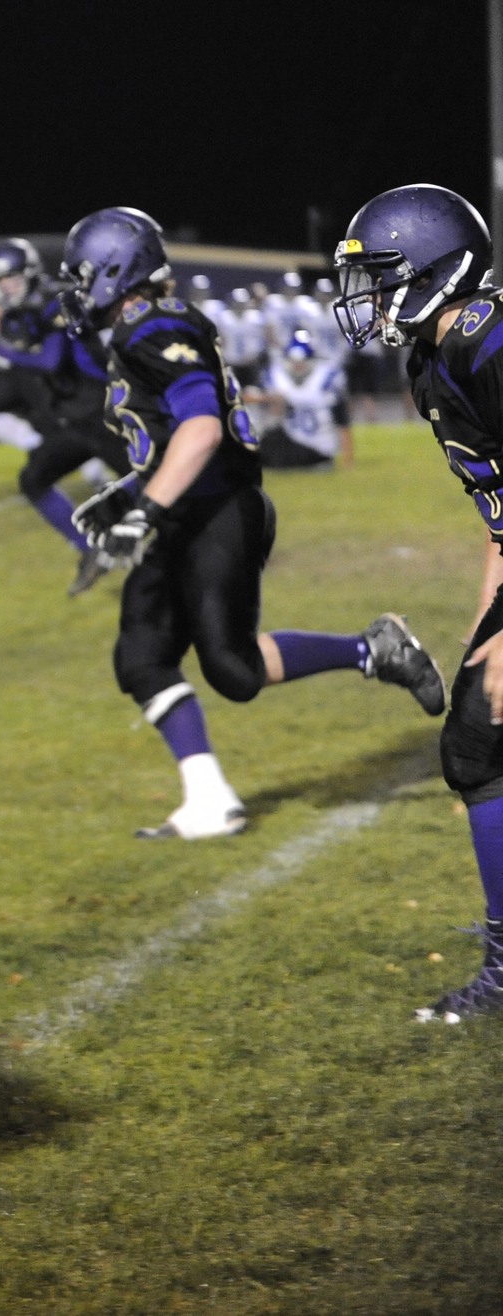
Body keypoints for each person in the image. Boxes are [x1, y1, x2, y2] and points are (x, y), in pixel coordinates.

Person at [59, 207, 442, 839]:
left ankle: (372, 648)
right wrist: (132, 491)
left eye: (81, 275)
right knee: (145, 656)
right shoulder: (149, 326)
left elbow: (203, 428)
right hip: (197, 508)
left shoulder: (153, 327)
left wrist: (145, 509)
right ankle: (210, 801)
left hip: (217, 513)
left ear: (113, 270)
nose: (76, 290)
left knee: (231, 670)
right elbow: (177, 436)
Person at [334, 184, 503, 1021]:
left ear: (440, 267)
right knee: (475, 747)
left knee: (481, 746)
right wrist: (486, 626)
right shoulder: (431, 359)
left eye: (383, 274)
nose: (367, 296)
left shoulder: (489, 340)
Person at [0, 238, 129, 594]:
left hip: (105, 413)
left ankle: (213, 540)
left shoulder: (59, 301)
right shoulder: (20, 313)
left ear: (31, 273)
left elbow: (49, 361)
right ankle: (90, 551)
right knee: (34, 479)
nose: (7, 287)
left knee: (158, 486)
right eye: (0, 281)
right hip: (72, 419)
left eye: (13, 277)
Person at [248, 332, 351, 470]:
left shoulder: (326, 381)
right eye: (294, 362)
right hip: (293, 442)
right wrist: (268, 398)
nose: (297, 367)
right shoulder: (278, 378)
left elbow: (342, 422)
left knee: (269, 441)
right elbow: (246, 398)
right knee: (266, 434)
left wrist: (348, 461)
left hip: (317, 447)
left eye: (301, 363)